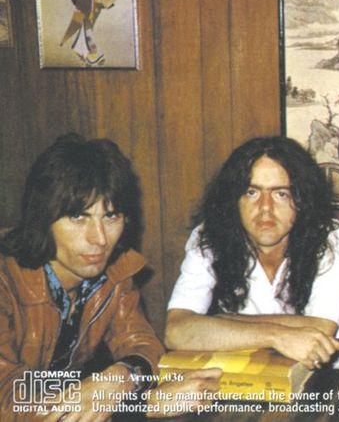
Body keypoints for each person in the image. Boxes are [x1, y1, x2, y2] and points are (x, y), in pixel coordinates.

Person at [0, 134, 221, 420]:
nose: (100, 239)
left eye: (111, 216)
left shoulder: (114, 275)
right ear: (43, 218)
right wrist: (144, 405)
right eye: (78, 217)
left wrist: (120, 378)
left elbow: (144, 345)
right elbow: (7, 397)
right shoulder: (5, 279)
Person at [166, 136, 339, 369]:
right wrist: (276, 336)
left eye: (281, 194)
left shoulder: (335, 241)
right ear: (233, 199)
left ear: (302, 200)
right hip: (240, 369)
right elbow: (176, 331)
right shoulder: (209, 237)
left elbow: (320, 330)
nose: (265, 208)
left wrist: (221, 321)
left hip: (326, 374)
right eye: (251, 192)